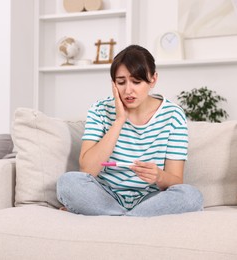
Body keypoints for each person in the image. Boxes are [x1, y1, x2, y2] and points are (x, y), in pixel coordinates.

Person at [56, 45, 203, 217]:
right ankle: (133, 217)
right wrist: (119, 120)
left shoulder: (173, 115)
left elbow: (176, 181)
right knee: (68, 182)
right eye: (121, 82)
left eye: (136, 81)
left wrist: (158, 176)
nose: (128, 90)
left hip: (150, 198)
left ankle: (115, 216)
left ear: (153, 80)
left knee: (192, 196)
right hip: (105, 194)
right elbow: (87, 170)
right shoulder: (100, 109)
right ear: (113, 84)